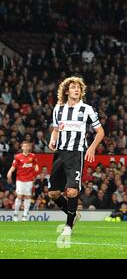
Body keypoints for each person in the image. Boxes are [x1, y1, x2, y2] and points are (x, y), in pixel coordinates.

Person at [48, 77, 105, 236]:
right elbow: (56, 129)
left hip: (76, 152)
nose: (76, 90)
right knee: (53, 193)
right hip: (60, 152)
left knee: (72, 191)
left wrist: (92, 147)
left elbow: (100, 132)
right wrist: (52, 139)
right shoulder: (58, 109)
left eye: (78, 88)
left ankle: (68, 226)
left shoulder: (87, 109)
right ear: (66, 91)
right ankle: (73, 214)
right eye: (73, 87)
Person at [6, 141, 39, 221]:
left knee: (28, 196)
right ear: (22, 147)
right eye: (24, 146)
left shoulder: (33, 156)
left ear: (29, 147)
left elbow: (35, 164)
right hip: (20, 179)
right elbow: (13, 166)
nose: (26, 148)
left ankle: (25, 216)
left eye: (27, 146)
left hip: (29, 179)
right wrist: (10, 172)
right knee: (20, 196)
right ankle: (15, 214)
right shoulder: (18, 156)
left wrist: (36, 167)